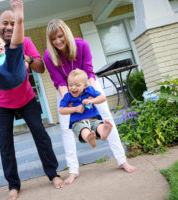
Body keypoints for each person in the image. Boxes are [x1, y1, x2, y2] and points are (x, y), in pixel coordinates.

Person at [0, 2, 64, 200]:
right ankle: (13, 185)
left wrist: (27, 59)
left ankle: (53, 174)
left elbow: (40, 69)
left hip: (26, 98)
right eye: (5, 23)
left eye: (13, 23)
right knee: (5, 144)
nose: (9, 27)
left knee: (41, 135)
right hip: (1, 103)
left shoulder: (24, 42)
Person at [43, 18, 137, 185]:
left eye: (59, 36)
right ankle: (73, 170)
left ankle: (122, 160)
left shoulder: (81, 45)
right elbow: (59, 82)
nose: (57, 41)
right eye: (53, 39)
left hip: (89, 86)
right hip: (66, 92)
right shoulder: (49, 56)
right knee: (66, 128)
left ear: (66, 34)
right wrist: (70, 101)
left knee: (106, 118)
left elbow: (88, 70)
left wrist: (90, 96)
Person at [59, 69, 112, 148]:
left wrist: (92, 101)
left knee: (99, 125)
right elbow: (61, 110)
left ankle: (103, 133)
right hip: (78, 122)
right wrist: (75, 109)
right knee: (84, 130)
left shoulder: (89, 90)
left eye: (77, 85)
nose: (73, 88)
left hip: (93, 119)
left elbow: (102, 98)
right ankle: (90, 139)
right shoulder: (68, 96)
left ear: (85, 85)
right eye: (70, 85)